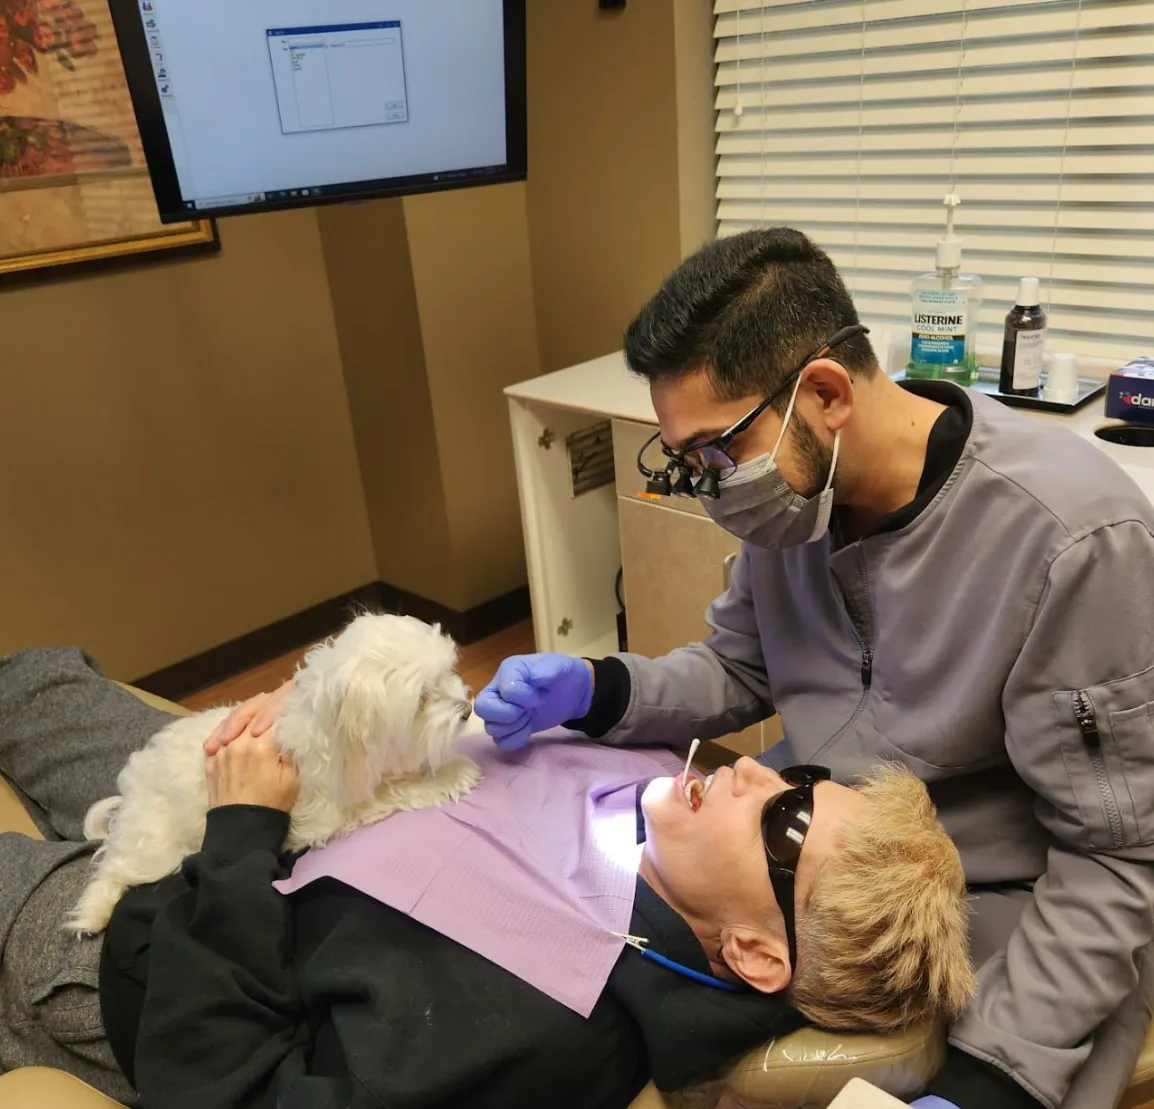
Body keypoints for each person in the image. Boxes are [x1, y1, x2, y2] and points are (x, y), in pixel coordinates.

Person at [475, 228, 1154, 1109]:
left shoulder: (1070, 540)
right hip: (813, 853)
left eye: (715, 454)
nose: (708, 486)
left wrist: (997, 1073)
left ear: (825, 392)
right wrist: (601, 688)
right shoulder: (799, 503)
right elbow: (739, 668)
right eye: (687, 462)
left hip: (1001, 894)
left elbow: (1118, 856)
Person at [0, 647, 972, 1109]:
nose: (757, 769)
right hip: (276, 793)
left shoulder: (537, 1028)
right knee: (37, 677)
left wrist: (240, 826)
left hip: (159, 934)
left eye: (787, 816)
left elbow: (223, 1082)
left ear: (755, 950)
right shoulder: (659, 808)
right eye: (804, 778)